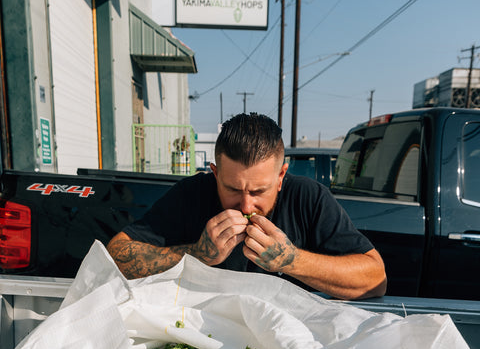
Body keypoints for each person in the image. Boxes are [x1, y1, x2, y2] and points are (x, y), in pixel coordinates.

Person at [107, 113, 387, 300]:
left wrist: (291, 261)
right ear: (215, 174)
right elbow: (116, 255)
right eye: (231, 189)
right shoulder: (191, 194)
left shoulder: (308, 198)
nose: (245, 205)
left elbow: (375, 279)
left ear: (280, 177)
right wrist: (196, 254)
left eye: (258, 191)